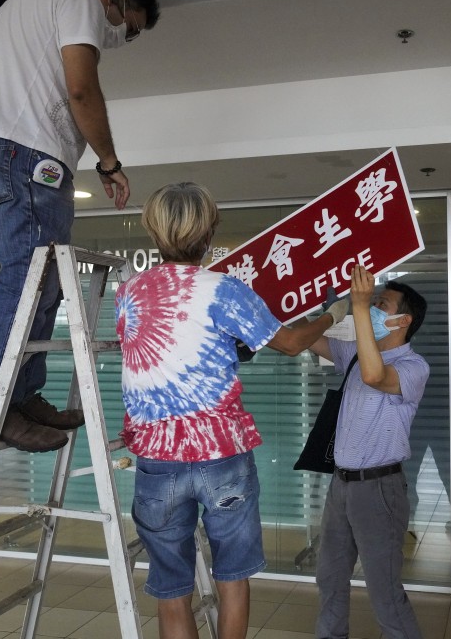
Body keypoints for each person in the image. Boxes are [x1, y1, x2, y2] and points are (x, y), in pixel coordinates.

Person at [115, 182, 350, 639]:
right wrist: (334, 315)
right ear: (208, 233)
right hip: (221, 455)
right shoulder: (224, 289)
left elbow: (170, 348)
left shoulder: (129, 292)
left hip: (156, 459)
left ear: (153, 230)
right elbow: (290, 344)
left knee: (172, 590)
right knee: (232, 578)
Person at [0, 0, 160, 452]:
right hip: (26, 154)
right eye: (130, 28)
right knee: (26, 278)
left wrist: (15, 92)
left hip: (0, 151)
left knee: (40, 283)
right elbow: (81, 89)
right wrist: (109, 163)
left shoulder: (21, 7)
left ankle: (20, 396)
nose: (123, 39)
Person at [310, 266, 430, 639]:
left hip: (379, 489)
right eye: (373, 303)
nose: (374, 308)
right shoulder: (356, 355)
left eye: (382, 304)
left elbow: (375, 376)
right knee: (329, 577)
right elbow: (305, 340)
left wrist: (360, 307)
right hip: (341, 486)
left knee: (384, 591)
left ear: (403, 320)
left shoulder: (413, 366)